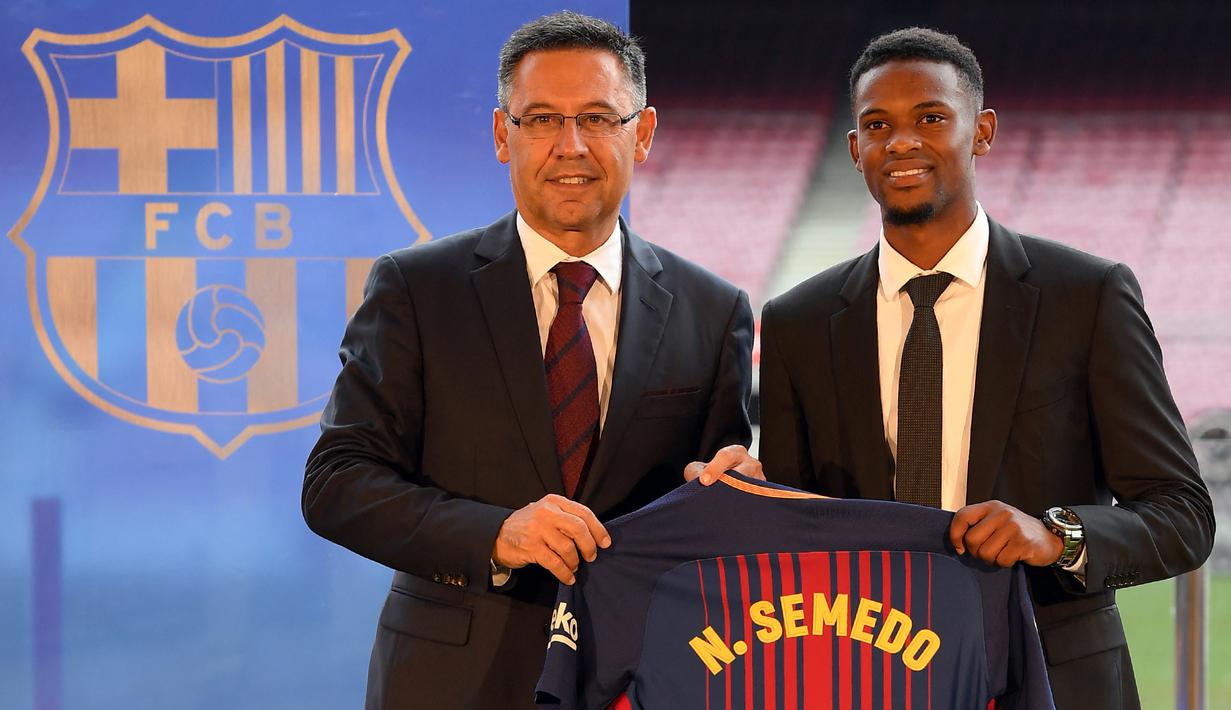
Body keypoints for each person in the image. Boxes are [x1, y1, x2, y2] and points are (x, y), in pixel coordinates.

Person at [694, 27, 1213, 710]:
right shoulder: (796, 320)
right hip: (862, 678)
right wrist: (751, 492)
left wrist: (1052, 535)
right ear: (854, 150)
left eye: (930, 118)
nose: (900, 142)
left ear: (982, 131)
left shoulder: (1084, 296)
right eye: (876, 125)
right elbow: (804, 529)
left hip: (1053, 678)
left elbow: (1180, 515)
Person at [302, 12, 754, 710]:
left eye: (599, 118)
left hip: (644, 679)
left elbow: (716, 503)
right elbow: (337, 484)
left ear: (644, 132)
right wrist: (496, 535)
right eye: (540, 119)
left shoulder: (714, 308)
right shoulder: (416, 289)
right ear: (500, 136)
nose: (570, 146)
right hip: (450, 682)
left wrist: (738, 488)